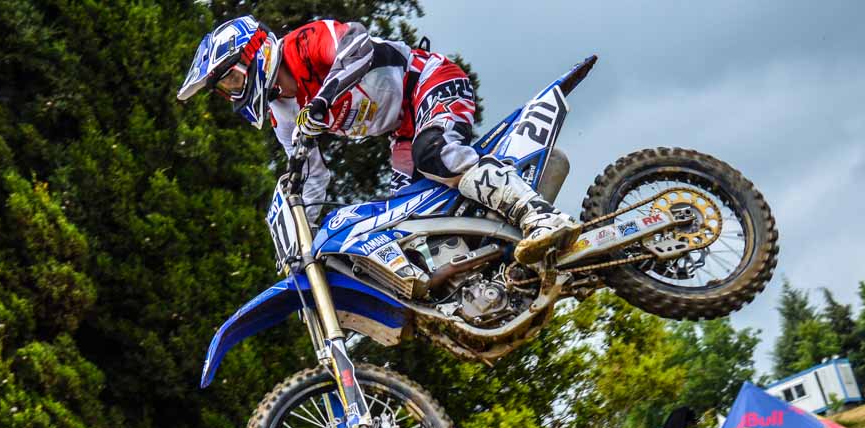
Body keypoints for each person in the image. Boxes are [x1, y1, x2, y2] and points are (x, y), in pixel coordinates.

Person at [178, 16, 583, 264]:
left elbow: (357, 45)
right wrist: (304, 240)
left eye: (232, 78)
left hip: (428, 81)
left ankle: (541, 216)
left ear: (252, 53)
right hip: (401, 131)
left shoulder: (303, 43)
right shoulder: (282, 113)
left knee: (435, 155)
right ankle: (491, 265)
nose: (233, 92)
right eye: (224, 88)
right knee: (404, 224)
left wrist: (321, 100)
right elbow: (311, 178)